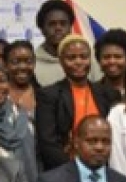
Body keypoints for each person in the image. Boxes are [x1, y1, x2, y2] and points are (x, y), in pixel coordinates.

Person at [36, 34, 114, 171]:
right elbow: (48, 143)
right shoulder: (49, 95)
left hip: (104, 169)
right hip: (65, 171)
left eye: (84, 57)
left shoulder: (108, 94)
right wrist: (74, 171)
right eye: (71, 58)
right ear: (61, 61)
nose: (78, 62)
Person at [33, 0, 100, 87]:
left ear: (70, 27)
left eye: (63, 23)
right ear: (42, 29)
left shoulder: (88, 58)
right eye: (52, 24)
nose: (58, 28)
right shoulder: (32, 63)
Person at [94, 28, 126, 105]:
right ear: (99, 60)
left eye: (118, 57)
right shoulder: (91, 92)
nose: (112, 61)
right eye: (106, 57)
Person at [4, 39, 40, 122]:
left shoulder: (43, 96)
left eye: (28, 61)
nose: (23, 67)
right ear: (5, 65)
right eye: (15, 62)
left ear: (34, 63)